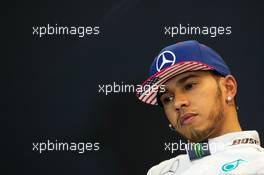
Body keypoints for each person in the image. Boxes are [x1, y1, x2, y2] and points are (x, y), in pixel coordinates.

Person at [136, 40, 264, 175]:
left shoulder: (258, 164)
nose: (177, 103)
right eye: (167, 99)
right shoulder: (159, 171)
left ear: (228, 88)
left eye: (189, 86)